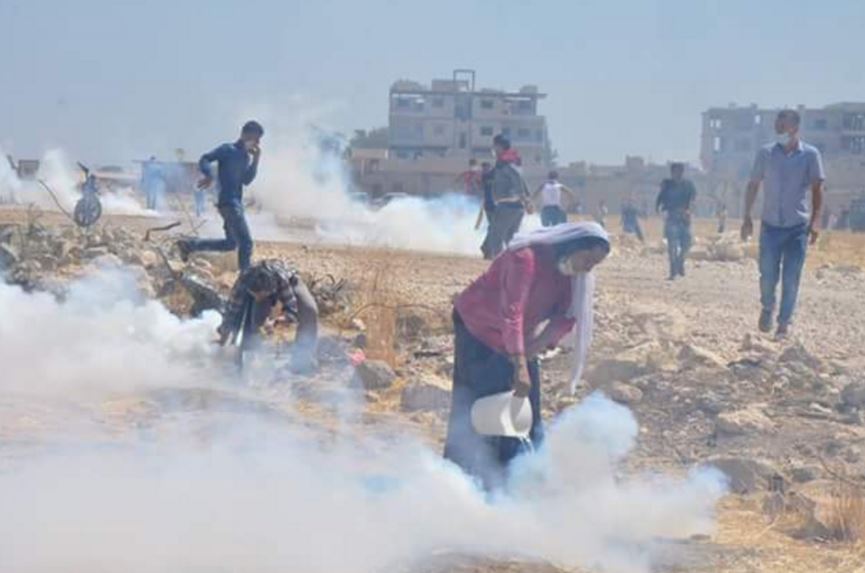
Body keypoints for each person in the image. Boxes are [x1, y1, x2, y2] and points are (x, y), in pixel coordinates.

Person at [444, 222, 610, 490]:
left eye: (595, 265)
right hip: (478, 325)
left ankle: (524, 477)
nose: (588, 269)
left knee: (526, 406)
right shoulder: (525, 259)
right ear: (573, 246)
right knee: (483, 399)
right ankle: (467, 478)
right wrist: (520, 363)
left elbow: (565, 318)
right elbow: (512, 313)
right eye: (588, 259)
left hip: (517, 338)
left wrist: (532, 351)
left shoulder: (569, 276)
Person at [741, 109, 824, 339]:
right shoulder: (765, 154)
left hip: (797, 227)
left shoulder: (810, 155)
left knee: (791, 277)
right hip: (770, 227)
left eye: (783, 126)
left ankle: (784, 323)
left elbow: (818, 188)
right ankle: (768, 307)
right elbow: (753, 184)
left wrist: (816, 220)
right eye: (777, 126)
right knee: (767, 275)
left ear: (795, 128)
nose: (779, 130)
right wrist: (747, 216)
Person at [178, 121, 264, 271]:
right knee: (246, 243)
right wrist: (209, 175)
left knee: (231, 243)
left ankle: (189, 245)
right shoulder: (227, 150)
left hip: (234, 204)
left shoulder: (245, 157)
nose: (256, 143)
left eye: (258, 140)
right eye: (255, 138)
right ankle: (246, 279)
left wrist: (256, 160)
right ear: (244, 134)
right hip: (229, 203)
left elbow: (247, 180)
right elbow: (205, 158)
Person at [217, 258, 319, 373]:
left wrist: (276, 321)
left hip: (289, 280)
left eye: (262, 295)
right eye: (256, 295)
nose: (259, 297)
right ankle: (247, 361)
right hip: (255, 289)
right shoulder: (243, 282)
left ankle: (302, 361)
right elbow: (232, 310)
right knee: (256, 324)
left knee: (310, 311)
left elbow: (292, 310)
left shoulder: (281, 280)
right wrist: (224, 332)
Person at [480, 135, 530, 259]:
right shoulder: (505, 164)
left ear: (500, 147)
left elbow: (518, 181)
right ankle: (515, 265)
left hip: (508, 207)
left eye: (495, 146)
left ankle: (500, 266)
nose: (493, 149)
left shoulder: (507, 165)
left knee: (495, 238)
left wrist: (525, 199)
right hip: (513, 207)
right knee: (510, 240)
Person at [656, 162, 696, 279]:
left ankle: (680, 262)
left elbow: (693, 200)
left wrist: (689, 211)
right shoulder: (667, 185)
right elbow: (660, 200)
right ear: (672, 172)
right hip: (672, 217)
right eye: (676, 171)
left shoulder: (688, 185)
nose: (678, 174)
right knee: (672, 245)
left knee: (687, 243)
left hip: (684, 217)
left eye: (680, 171)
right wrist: (661, 212)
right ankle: (673, 271)